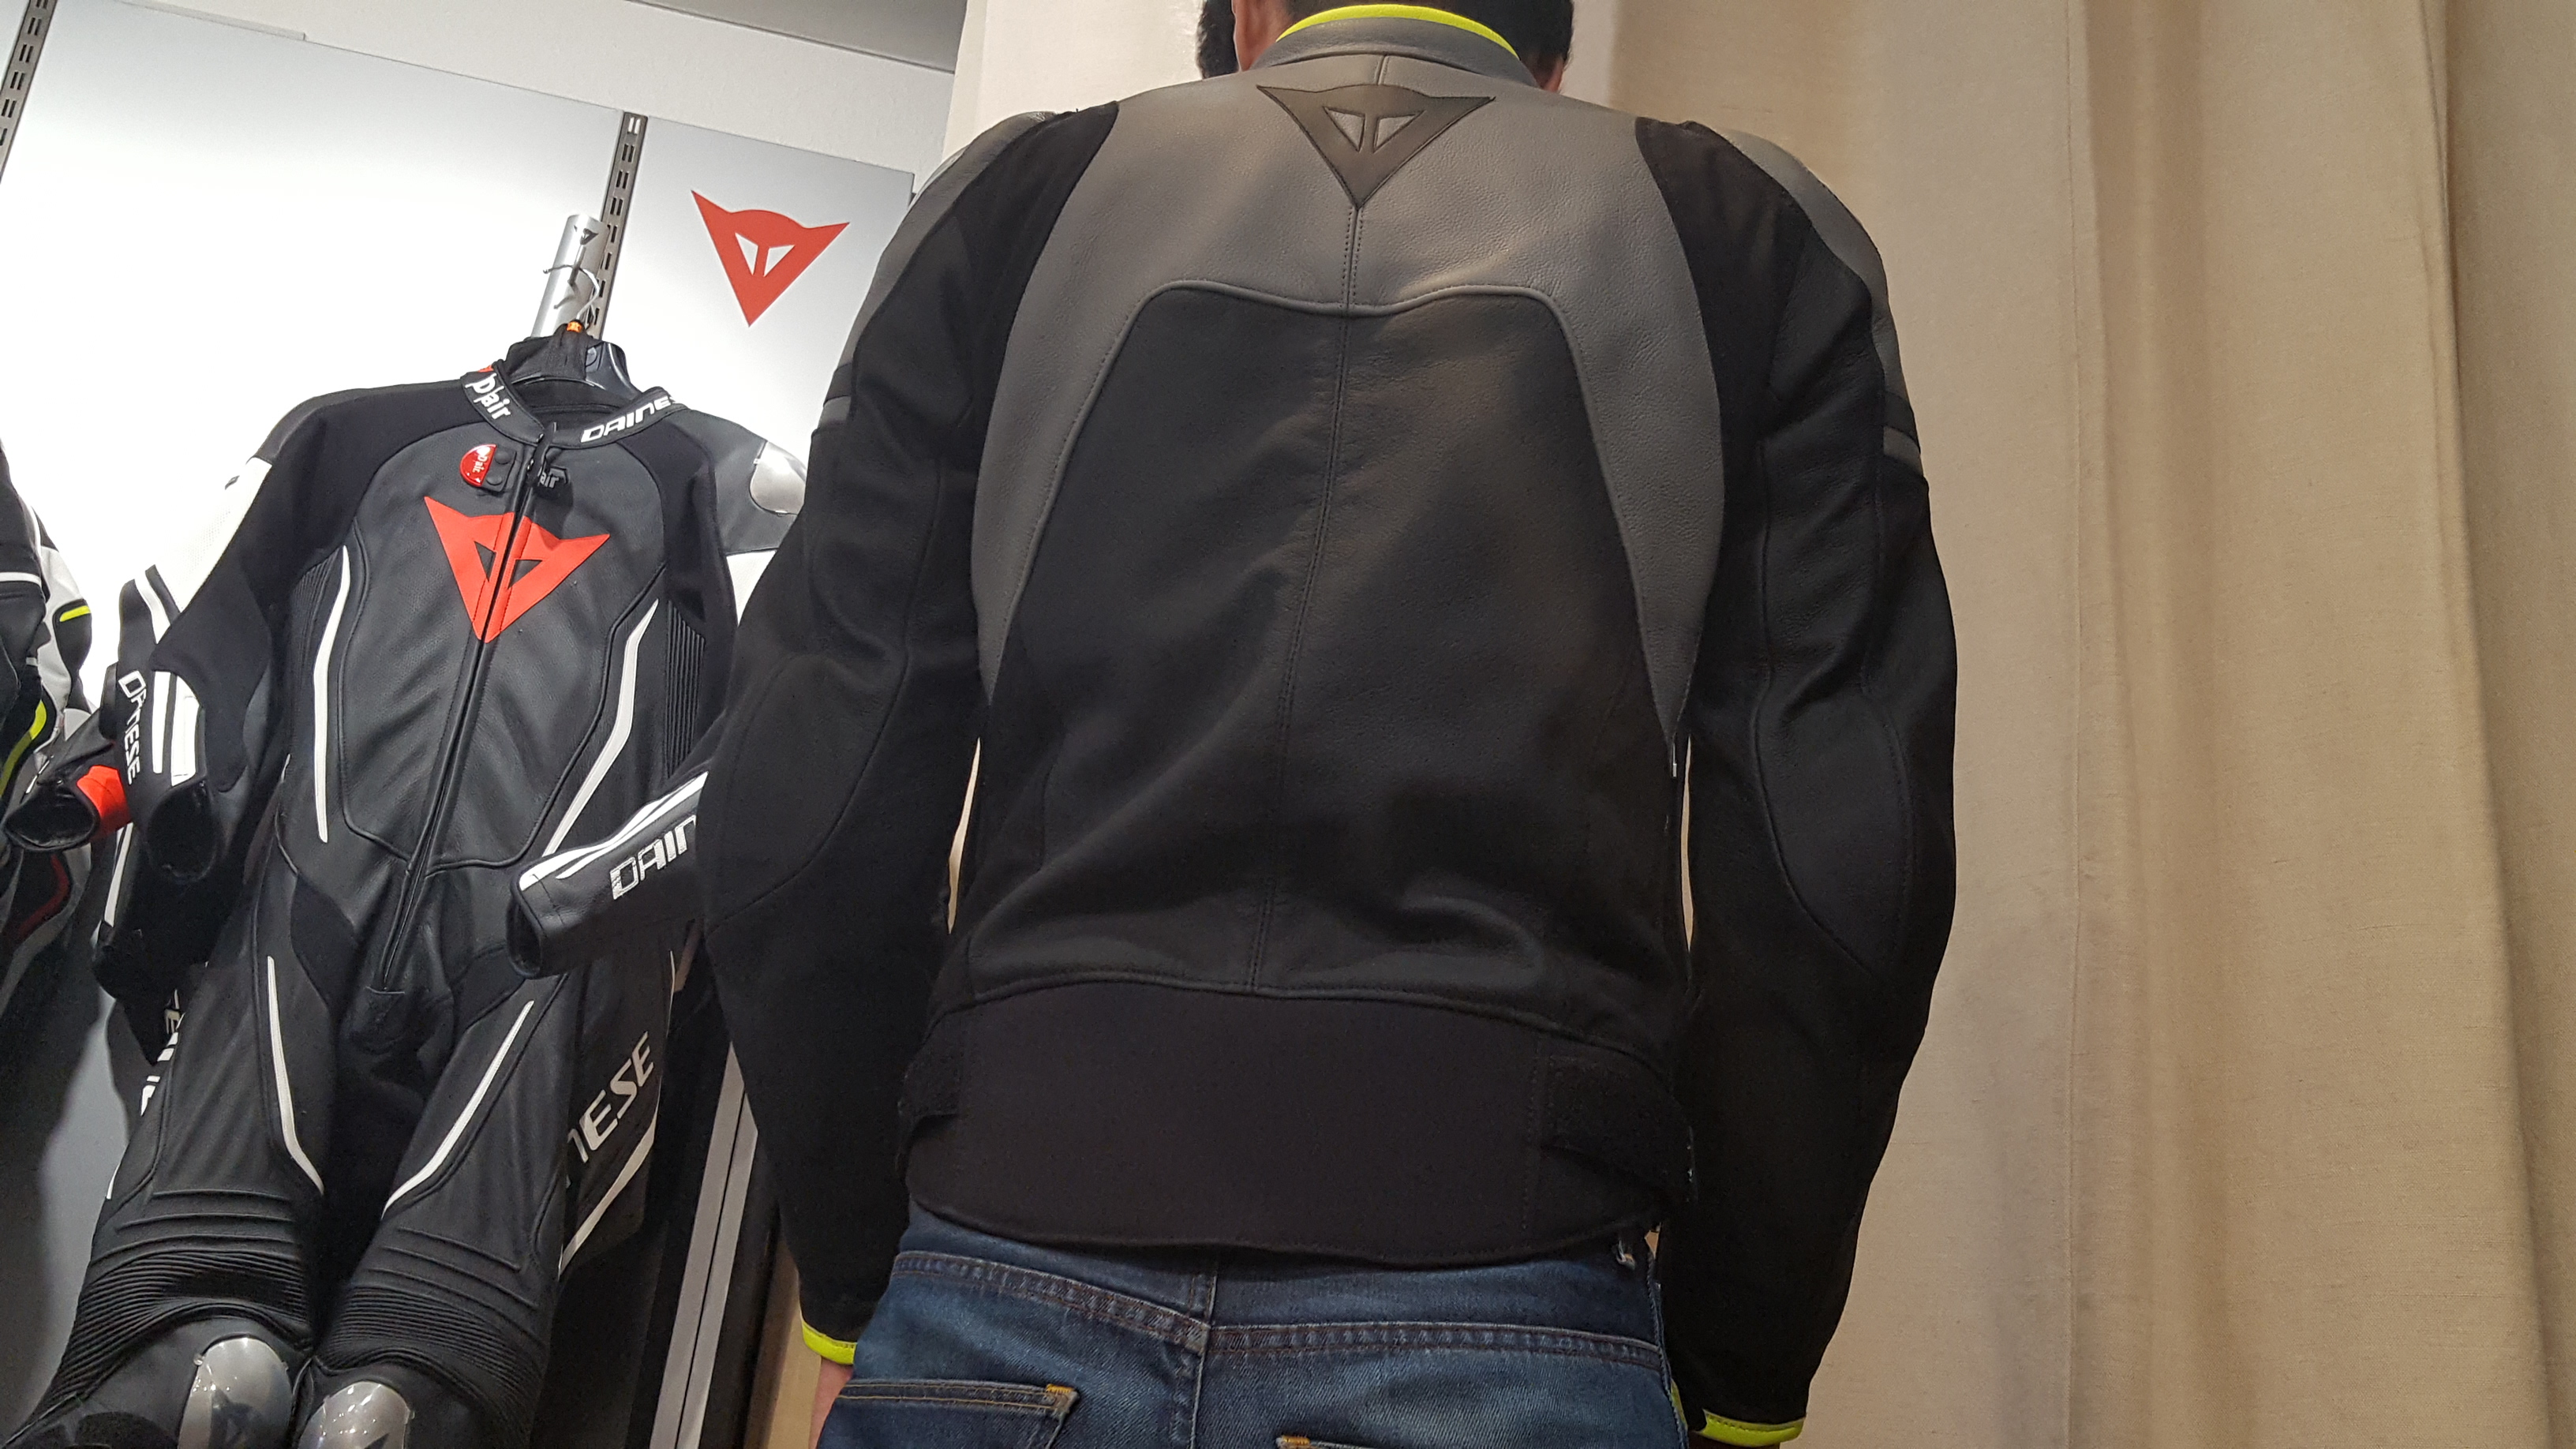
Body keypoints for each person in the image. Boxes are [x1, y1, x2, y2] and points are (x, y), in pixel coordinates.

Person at [701, 2, 1956, 1444]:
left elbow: (805, 811)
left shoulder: (1011, 200)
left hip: (1007, 1261)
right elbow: (1837, 880)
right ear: (1552, 58)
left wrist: (856, 1279)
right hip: (1509, 1260)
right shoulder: (1752, 235)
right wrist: (1740, 1378)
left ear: (1246, 19)